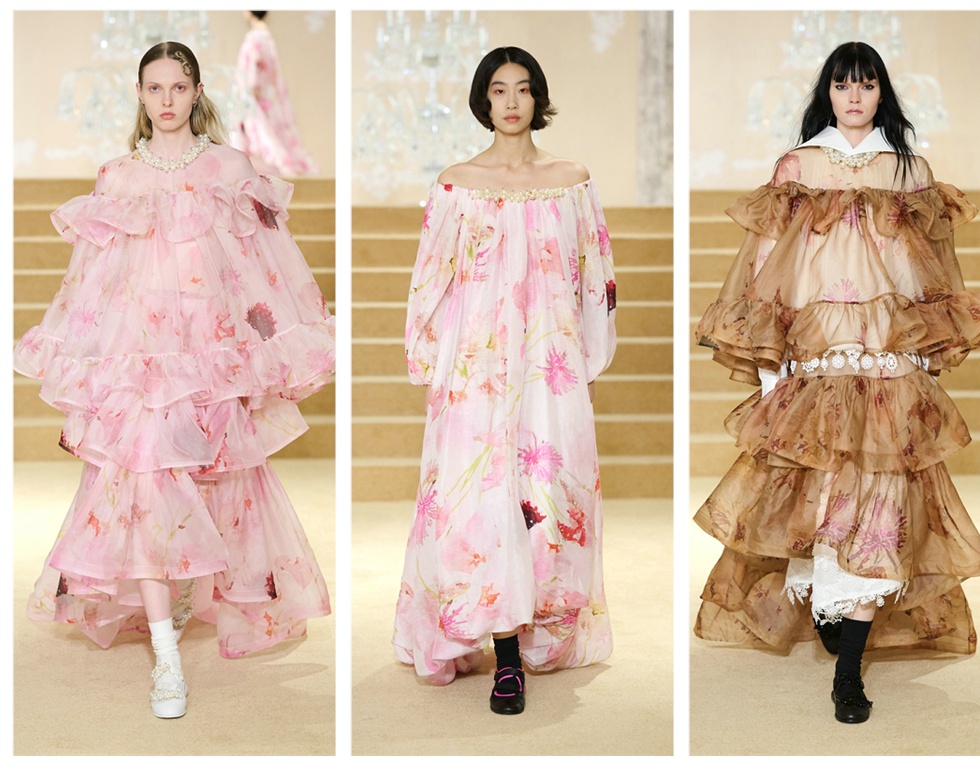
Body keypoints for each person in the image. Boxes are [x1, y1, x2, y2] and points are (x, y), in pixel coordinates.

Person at [13, 41, 334, 719]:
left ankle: (188, 595)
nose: (166, 100)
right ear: (138, 93)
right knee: (143, 489)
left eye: (178, 87)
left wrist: (275, 344)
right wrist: (81, 353)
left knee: (217, 487)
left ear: (197, 92)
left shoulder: (230, 169)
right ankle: (165, 656)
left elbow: (265, 264)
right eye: (154, 88)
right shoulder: (118, 177)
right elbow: (90, 283)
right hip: (140, 365)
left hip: (209, 358)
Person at [693, 41, 980, 724]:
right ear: (827, 93)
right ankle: (831, 612)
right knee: (820, 502)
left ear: (882, 92)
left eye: (865, 84)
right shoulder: (798, 166)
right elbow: (768, 267)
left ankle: (849, 671)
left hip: (888, 360)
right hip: (818, 361)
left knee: (882, 510)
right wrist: (773, 365)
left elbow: (929, 271)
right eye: (842, 84)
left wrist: (923, 350)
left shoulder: (909, 171)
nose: (854, 96)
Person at [392, 46, 617, 715]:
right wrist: (429, 362)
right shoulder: (456, 183)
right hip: (475, 369)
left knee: (545, 499)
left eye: (522, 88)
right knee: (481, 501)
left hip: (550, 365)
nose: (511, 101)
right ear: (483, 100)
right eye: (498, 89)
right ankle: (505, 656)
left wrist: (587, 362)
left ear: (537, 97)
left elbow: (595, 275)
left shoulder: (572, 181)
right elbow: (430, 276)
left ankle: (533, 626)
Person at [230, 11, 319, 176]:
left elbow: (254, 67)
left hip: (254, 96)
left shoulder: (255, 38)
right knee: (268, 134)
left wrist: (250, 90)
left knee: (260, 135)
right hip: (265, 95)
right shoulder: (266, 38)